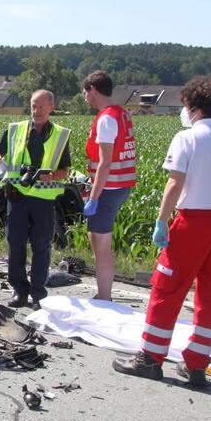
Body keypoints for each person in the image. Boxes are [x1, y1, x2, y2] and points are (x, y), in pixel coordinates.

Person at [113, 77, 211, 387]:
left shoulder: (187, 138)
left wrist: (162, 220)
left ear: (192, 107)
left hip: (193, 222)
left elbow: (175, 183)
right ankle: (197, 365)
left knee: (167, 290)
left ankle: (149, 359)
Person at [0, 90, 72, 309]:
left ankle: (38, 293)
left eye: (42, 107)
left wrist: (51, 175)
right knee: (15, 244)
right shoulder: (15, 129)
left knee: (41, 246)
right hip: (17, 196)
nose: (37, 111)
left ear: (52, 107)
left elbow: (65, 170)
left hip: (43, 200)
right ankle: (19, 290)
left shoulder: (61, 135)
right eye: (34, 106)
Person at [81, 70, 138, 300]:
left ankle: (104, 296)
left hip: (109, 188)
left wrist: (93, 197)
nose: (85, 98)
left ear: (93, 90)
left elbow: (105, 162)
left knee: (100, 242)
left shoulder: (106, 119)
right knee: (98, 239)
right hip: (121, 185)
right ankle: (104, 293)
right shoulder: (120, 114)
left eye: (85, 92)